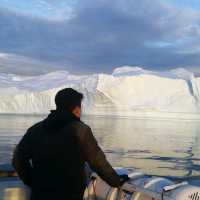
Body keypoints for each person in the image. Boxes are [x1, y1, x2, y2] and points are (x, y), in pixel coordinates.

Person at [12, 88, 129, 200]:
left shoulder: (35, 129)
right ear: (76, 109)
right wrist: (116, 181)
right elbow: (97, 162)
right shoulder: (80, 130)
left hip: (39, 195)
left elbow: (18, 159)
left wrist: (33, 181)